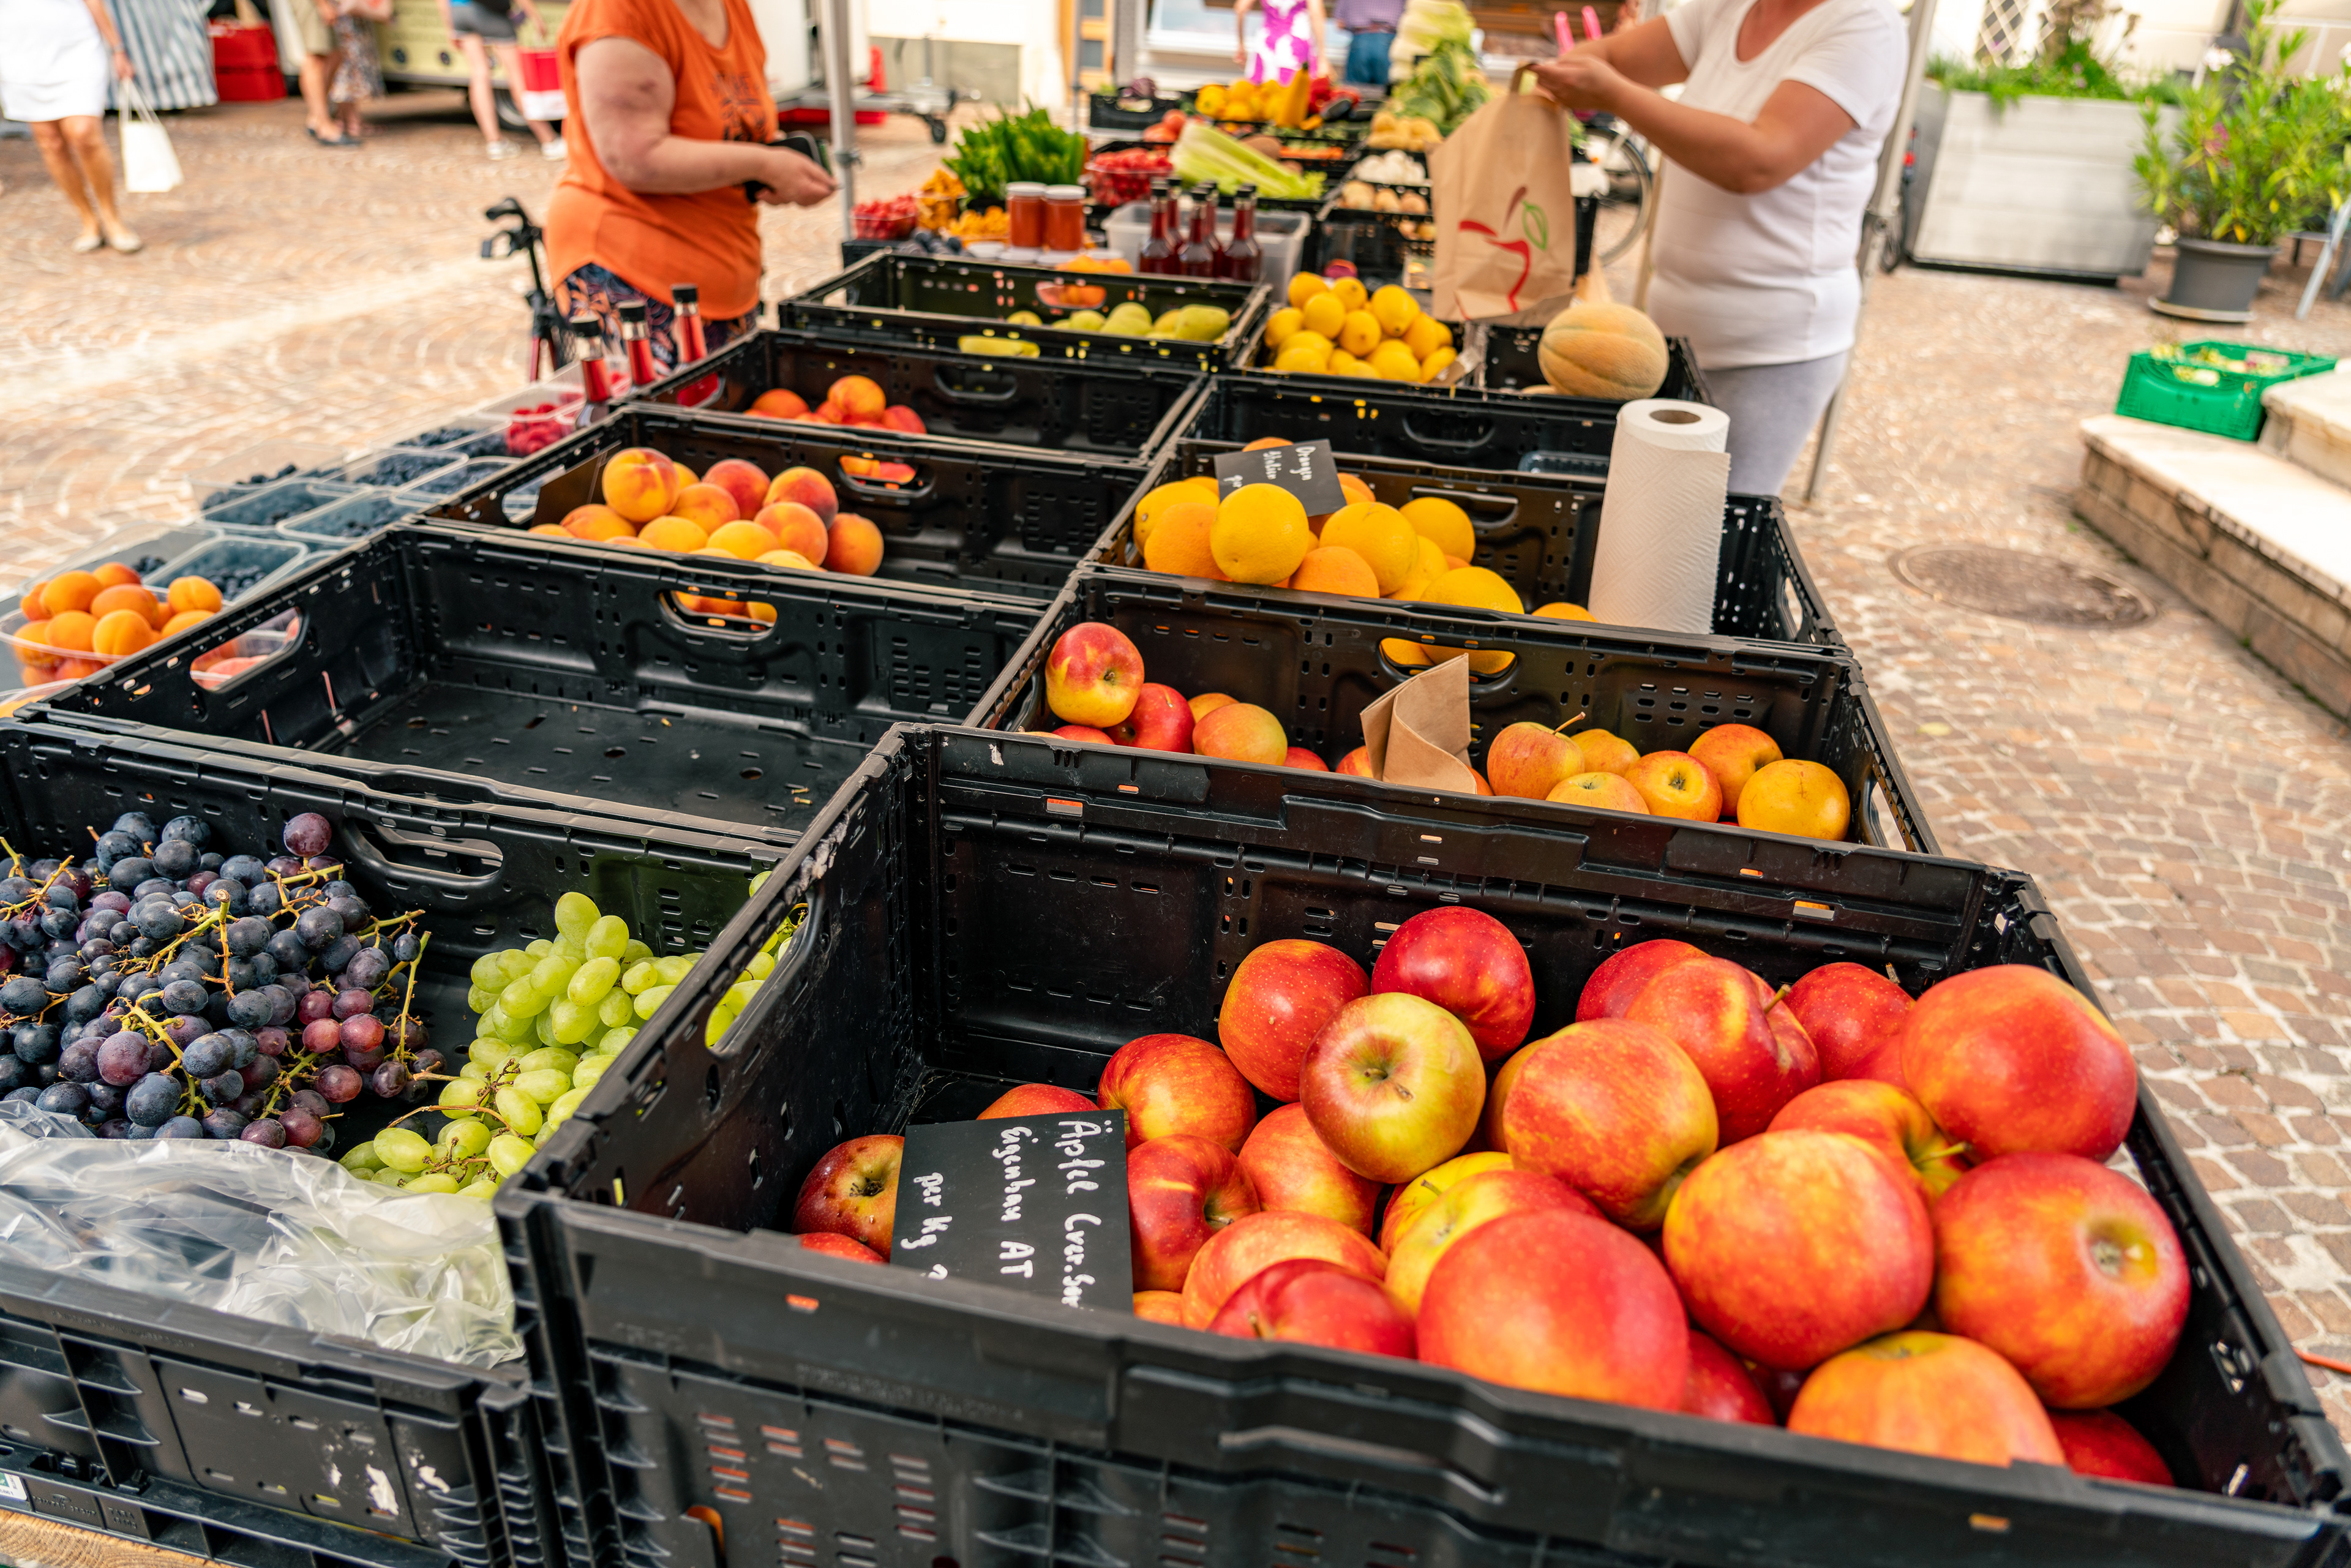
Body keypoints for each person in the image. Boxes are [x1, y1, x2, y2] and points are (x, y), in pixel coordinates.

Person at [1532, 0, 1904, 496]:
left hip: (1771, 345)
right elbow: (1613, 58)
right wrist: (1581, 68)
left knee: (1717, 525)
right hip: (1673, 332)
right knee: (1653, 513)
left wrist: (1614, 95)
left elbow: (1759, 160)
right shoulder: (1728, 8)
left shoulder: (1865, 24)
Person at [548, 0, 833, 370]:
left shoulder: (730, 7)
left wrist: (776, 166)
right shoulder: (618, 12)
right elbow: (635, 158)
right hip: (634, 271)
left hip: (722, 274)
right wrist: (764, 164)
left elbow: (730, 122)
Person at [0, 0, 143, 252]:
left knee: (84, 133)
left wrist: (117, 48)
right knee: (51, 143)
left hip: (78, 49)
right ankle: (88, 219)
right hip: (19, 58)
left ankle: (111, 217)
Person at [444, 0, 564, 160]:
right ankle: (549, 141)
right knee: (517, 75)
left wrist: (450, 26)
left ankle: (495, 143)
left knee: (479, 73)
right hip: (491, 13)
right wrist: (536, 17)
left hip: (459, 11)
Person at [328, 0, 387, 140]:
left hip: (349, 14)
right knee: (348, 62)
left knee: (352, 62)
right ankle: (350, 121)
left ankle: (348, 117)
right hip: (343, 13)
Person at [1233, 0, 1324, 84]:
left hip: (1266, 46)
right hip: (1295, 47)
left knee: (1260, 91)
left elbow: (1241, 9)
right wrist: (1323, 58)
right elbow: (1316, 15)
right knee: (1296, 90)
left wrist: (1241, 44)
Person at [1330, 0, 1401, 87]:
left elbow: (1340, 23)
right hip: (1388, 41)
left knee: (1355, 91)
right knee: (1389, 92)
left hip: (1360, 41)